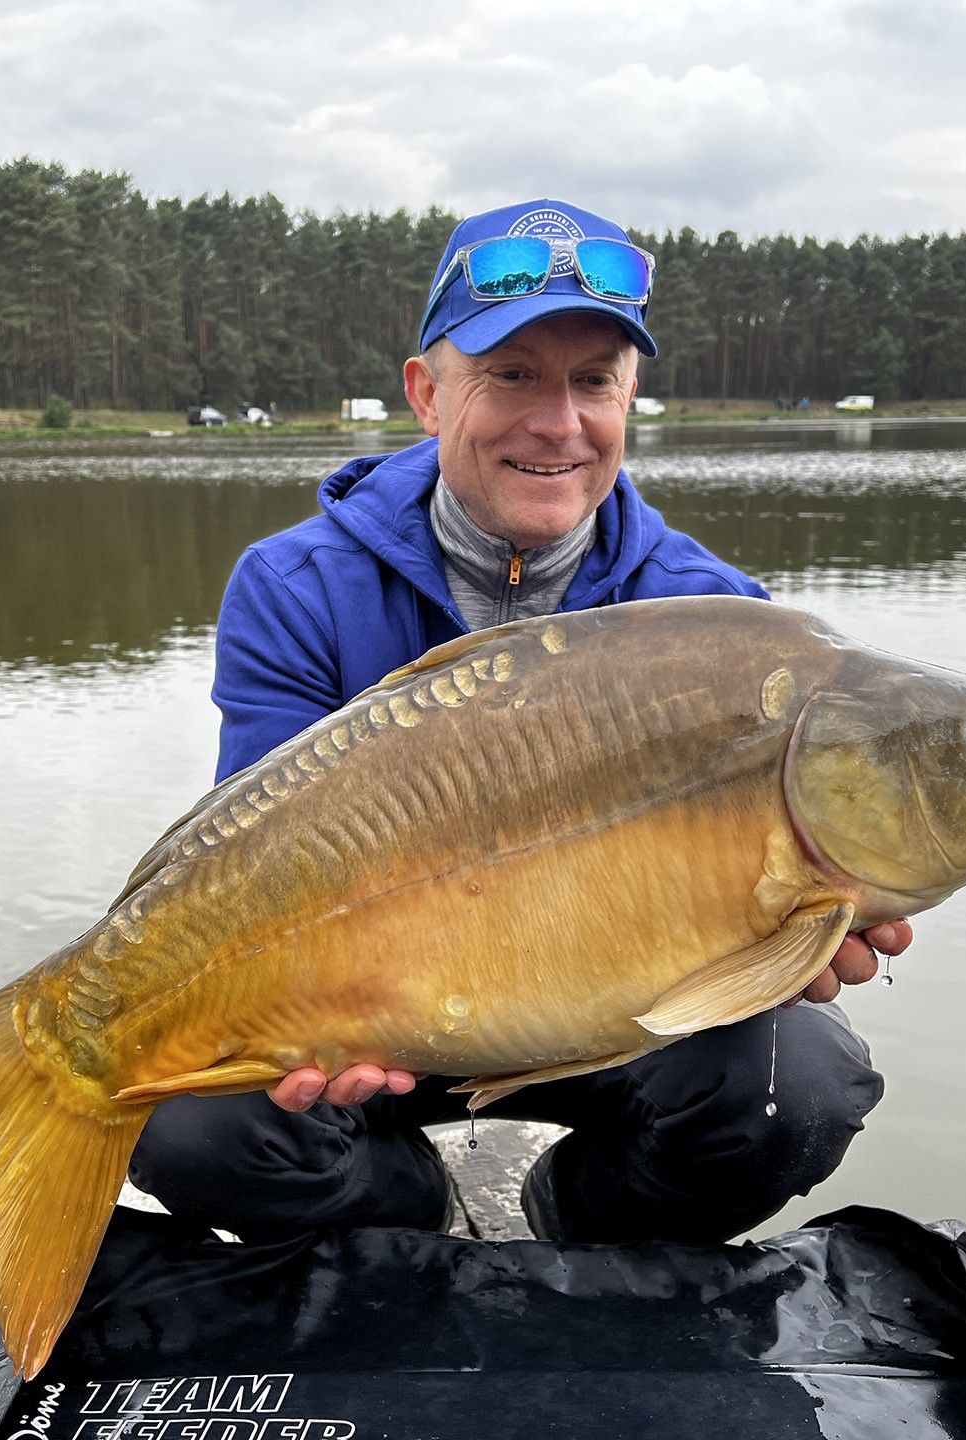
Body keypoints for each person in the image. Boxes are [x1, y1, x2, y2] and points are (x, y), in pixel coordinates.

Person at [129, 199, 911, 1245]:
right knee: (185, 1128)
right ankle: (405, 1209)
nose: (559, 422)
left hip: (609, 1016)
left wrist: (783, 933)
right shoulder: (294, 584)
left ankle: (580, 1219)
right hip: (379, 1014)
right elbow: (259, 872)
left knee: (800, 1087)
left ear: (630, 399)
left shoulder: (718, 620)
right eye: (512, 376)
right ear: (425, 391)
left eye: (594, 381)